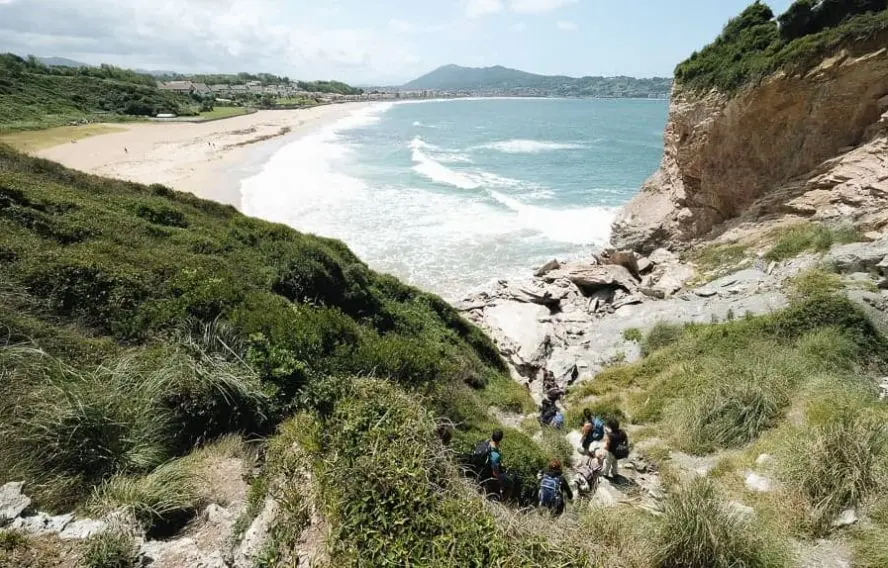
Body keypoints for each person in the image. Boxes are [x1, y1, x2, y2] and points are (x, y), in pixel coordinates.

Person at [473, 430, 506, 498]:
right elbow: (495, 473)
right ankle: (501, 501)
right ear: (500, 439)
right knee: (508, 483)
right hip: (485, 476)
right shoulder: (495, 455)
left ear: (492, 436)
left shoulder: (485, 443)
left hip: (476, 469)